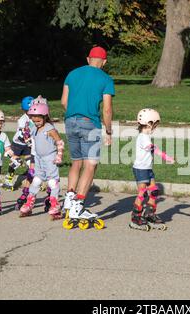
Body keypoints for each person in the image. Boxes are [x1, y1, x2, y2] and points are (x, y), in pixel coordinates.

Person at [61, 46, 114, 222]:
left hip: (70, 121)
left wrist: (74, 116)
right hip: (90, 122)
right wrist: (108, 130)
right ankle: (78, 205)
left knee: (76, 161)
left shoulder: (72, 74)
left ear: (87, 58)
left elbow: (64, 101)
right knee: (90, 164)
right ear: (104, 62)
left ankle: (69, 198)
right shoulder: (106, 79)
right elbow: (107, 110)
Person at [19, 96, 65, 220]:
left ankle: (55, 205)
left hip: (50, 158)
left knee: (52, 182)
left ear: (45, 117)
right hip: (38, 158)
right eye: (34, 121)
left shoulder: (50, 129)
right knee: (37, 180)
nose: (36, 123)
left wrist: (59, 155)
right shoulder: (35, 128)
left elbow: (60, 142)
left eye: (38, 120)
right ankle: (29, 203)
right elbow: (31, 139)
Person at [129, 108, 174, 231]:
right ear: (149, 123)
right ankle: (136, 217)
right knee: (142, 193)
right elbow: (153, 149)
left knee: (153, 191)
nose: (156, 127)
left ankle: (149, 214)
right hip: (140, 169)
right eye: (155, 124)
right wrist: (166, 157)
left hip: (147, 168)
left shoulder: (146, 136)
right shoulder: (143, 137)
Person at [2, 97, 36, 207]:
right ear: (24, 110)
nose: (30, 113)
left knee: (29, 162)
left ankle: (32, 179)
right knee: (15, 163)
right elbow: (24, 133)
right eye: (27, 111)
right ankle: (9, 179)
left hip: (27, 145)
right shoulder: (22, 120)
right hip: (18, 143)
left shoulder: (36, 117)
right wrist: (28, 140)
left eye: (31, 110)